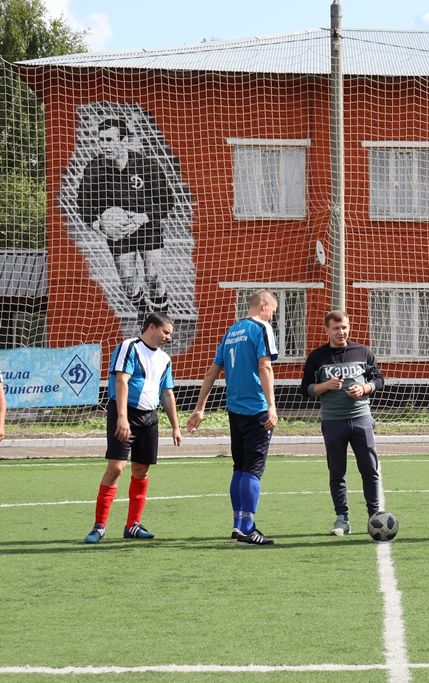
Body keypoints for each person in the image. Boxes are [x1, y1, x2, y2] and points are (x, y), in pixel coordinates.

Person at [187, 290, 279, 546]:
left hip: (235, 410)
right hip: (256, 409)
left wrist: (200, 408)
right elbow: (265, 366)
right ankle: (247, 529)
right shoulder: (261, 328)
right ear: (264, 305)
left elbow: (212, 372)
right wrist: (272, 406)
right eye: (273, 311)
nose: (272, 317)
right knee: (253, 469)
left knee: (239, 467)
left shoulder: (231, 331)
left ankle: (238, 525)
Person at [84, 313, 182, 543]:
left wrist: (175, 427)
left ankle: (133, 526)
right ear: (151, 327)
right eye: (166, 332)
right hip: (125, 413)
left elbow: (167, 393)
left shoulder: (165, 359)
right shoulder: (129, 347)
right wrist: (122, 417)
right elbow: (121, 380)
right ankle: (99, 527)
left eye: (170, 334)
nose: (169, 338)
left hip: (150, 418)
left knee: (141, 470)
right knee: (116, 468)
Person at [77, 117, 174, 316]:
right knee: (128, 284)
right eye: (101, 140)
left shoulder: (147, 165)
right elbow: (83, 204)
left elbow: (167, 201)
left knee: (153, 277)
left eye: (109, 140)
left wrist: (143, 217)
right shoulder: (93, 169)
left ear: (124, 140)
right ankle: (143, 313)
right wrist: (99, 225)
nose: (104, 145)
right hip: (118, 232)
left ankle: (161, 318)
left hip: (147, 227)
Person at [300, 310, 385, 536]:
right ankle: (342, 519)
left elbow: (379, 380)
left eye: (344, 327)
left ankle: (374, 516)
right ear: (326, 330)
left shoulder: (363, 352)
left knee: (369, 469)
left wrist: (365, 388)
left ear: (349, 327)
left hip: (361, 419)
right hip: (333, 421)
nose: (341, 332)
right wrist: (325, 386)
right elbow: (305, 389)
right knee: (337, 472)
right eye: (336, 328)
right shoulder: (317, 357)